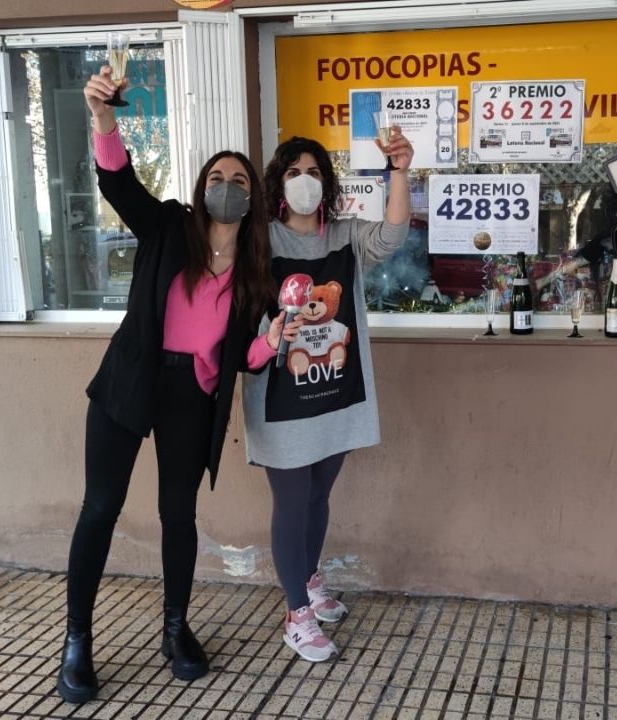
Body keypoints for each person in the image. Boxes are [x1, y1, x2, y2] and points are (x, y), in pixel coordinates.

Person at [56, 66, 274, 704]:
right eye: (217, 178)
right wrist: (103, 117)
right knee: (100, 508)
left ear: (253, 197)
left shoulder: (257, 271)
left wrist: (276, 341)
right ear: (201, 186)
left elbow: (247, 357)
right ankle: (76, 642)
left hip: (192, 396)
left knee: (178, 515)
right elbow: (120, 184)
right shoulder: (169, 228)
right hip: (133, 381)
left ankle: (176, 631)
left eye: (239, 181)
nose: (227, 188)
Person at [242, 131, 412, 662]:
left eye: (314, 172)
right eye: (293, 172)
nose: (304, 182)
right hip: (281, 399)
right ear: (278, 183)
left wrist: (400, 171)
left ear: (327, 182)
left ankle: (309, 579)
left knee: (318, 495)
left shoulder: (342, 235)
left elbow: (392, 235)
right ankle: (296, 613)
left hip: (337, 393)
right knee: (291, 503)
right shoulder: (260, 240)